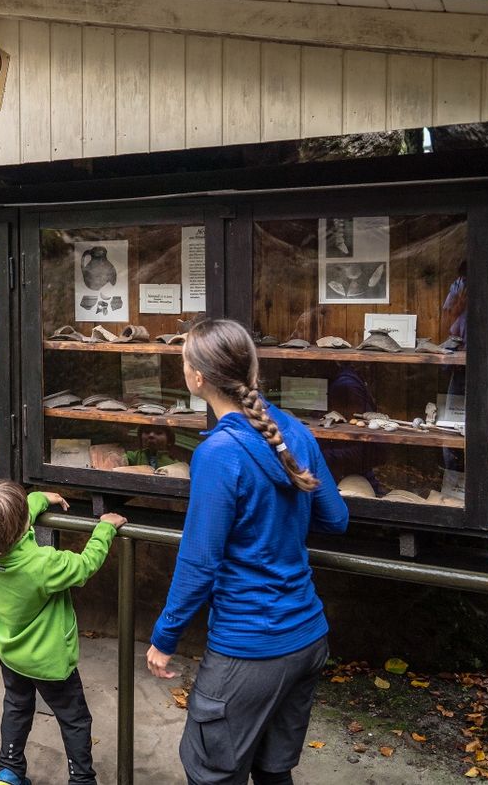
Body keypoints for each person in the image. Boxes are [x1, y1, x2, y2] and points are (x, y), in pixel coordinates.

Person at [145, 318, 349, 785]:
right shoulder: (293, 431)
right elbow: (336, 519)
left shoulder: (219, 453)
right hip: (307, 639)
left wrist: (164, 638)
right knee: (274, 771)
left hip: (250, 647)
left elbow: (199, 564)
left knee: (210, 772)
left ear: (197, 378)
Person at [0, 479, 126, 785]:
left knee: (16, 705)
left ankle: (8, 772)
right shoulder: (43, 564)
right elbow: (85, 565)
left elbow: (13, 520)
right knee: (75, 720)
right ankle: (81, 779)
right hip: (49, 662)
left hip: (10, 653)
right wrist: (105, 530)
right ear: (23, 526)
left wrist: (38, 498)